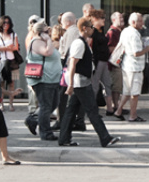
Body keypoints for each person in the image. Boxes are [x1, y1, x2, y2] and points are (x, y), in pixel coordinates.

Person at [58, 17, 119, 147]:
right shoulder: (79, 43)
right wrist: (71, 85)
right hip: (80, 82)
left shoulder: (83, 42)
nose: (93, 29)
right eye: (91, 27)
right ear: (84, 28)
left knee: (71, 111)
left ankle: (64, 138)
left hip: (81, 82)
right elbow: (72, 63)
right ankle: (105, 138)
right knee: (92, 110)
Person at [27, 18, 65, 140]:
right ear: (40, 32)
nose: (49, 33)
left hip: (53, 78)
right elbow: (47, 52)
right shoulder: (37, 42)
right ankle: (45, 132)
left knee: (53, 103)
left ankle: (33, 119)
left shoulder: (45, 41)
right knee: (46, 105)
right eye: (46, 31)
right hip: (43, 79)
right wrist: (48, 40)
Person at [0, 15, 21, 110]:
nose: (6, 24)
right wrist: (9, 47)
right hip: (1, 62)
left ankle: (11, 103)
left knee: (11, 83)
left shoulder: (13, 35)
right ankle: (1, 103)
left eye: (8, 22)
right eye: (4, 22)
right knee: (1, 83)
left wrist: (4, 48)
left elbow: (15, 47)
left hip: (11, 61)